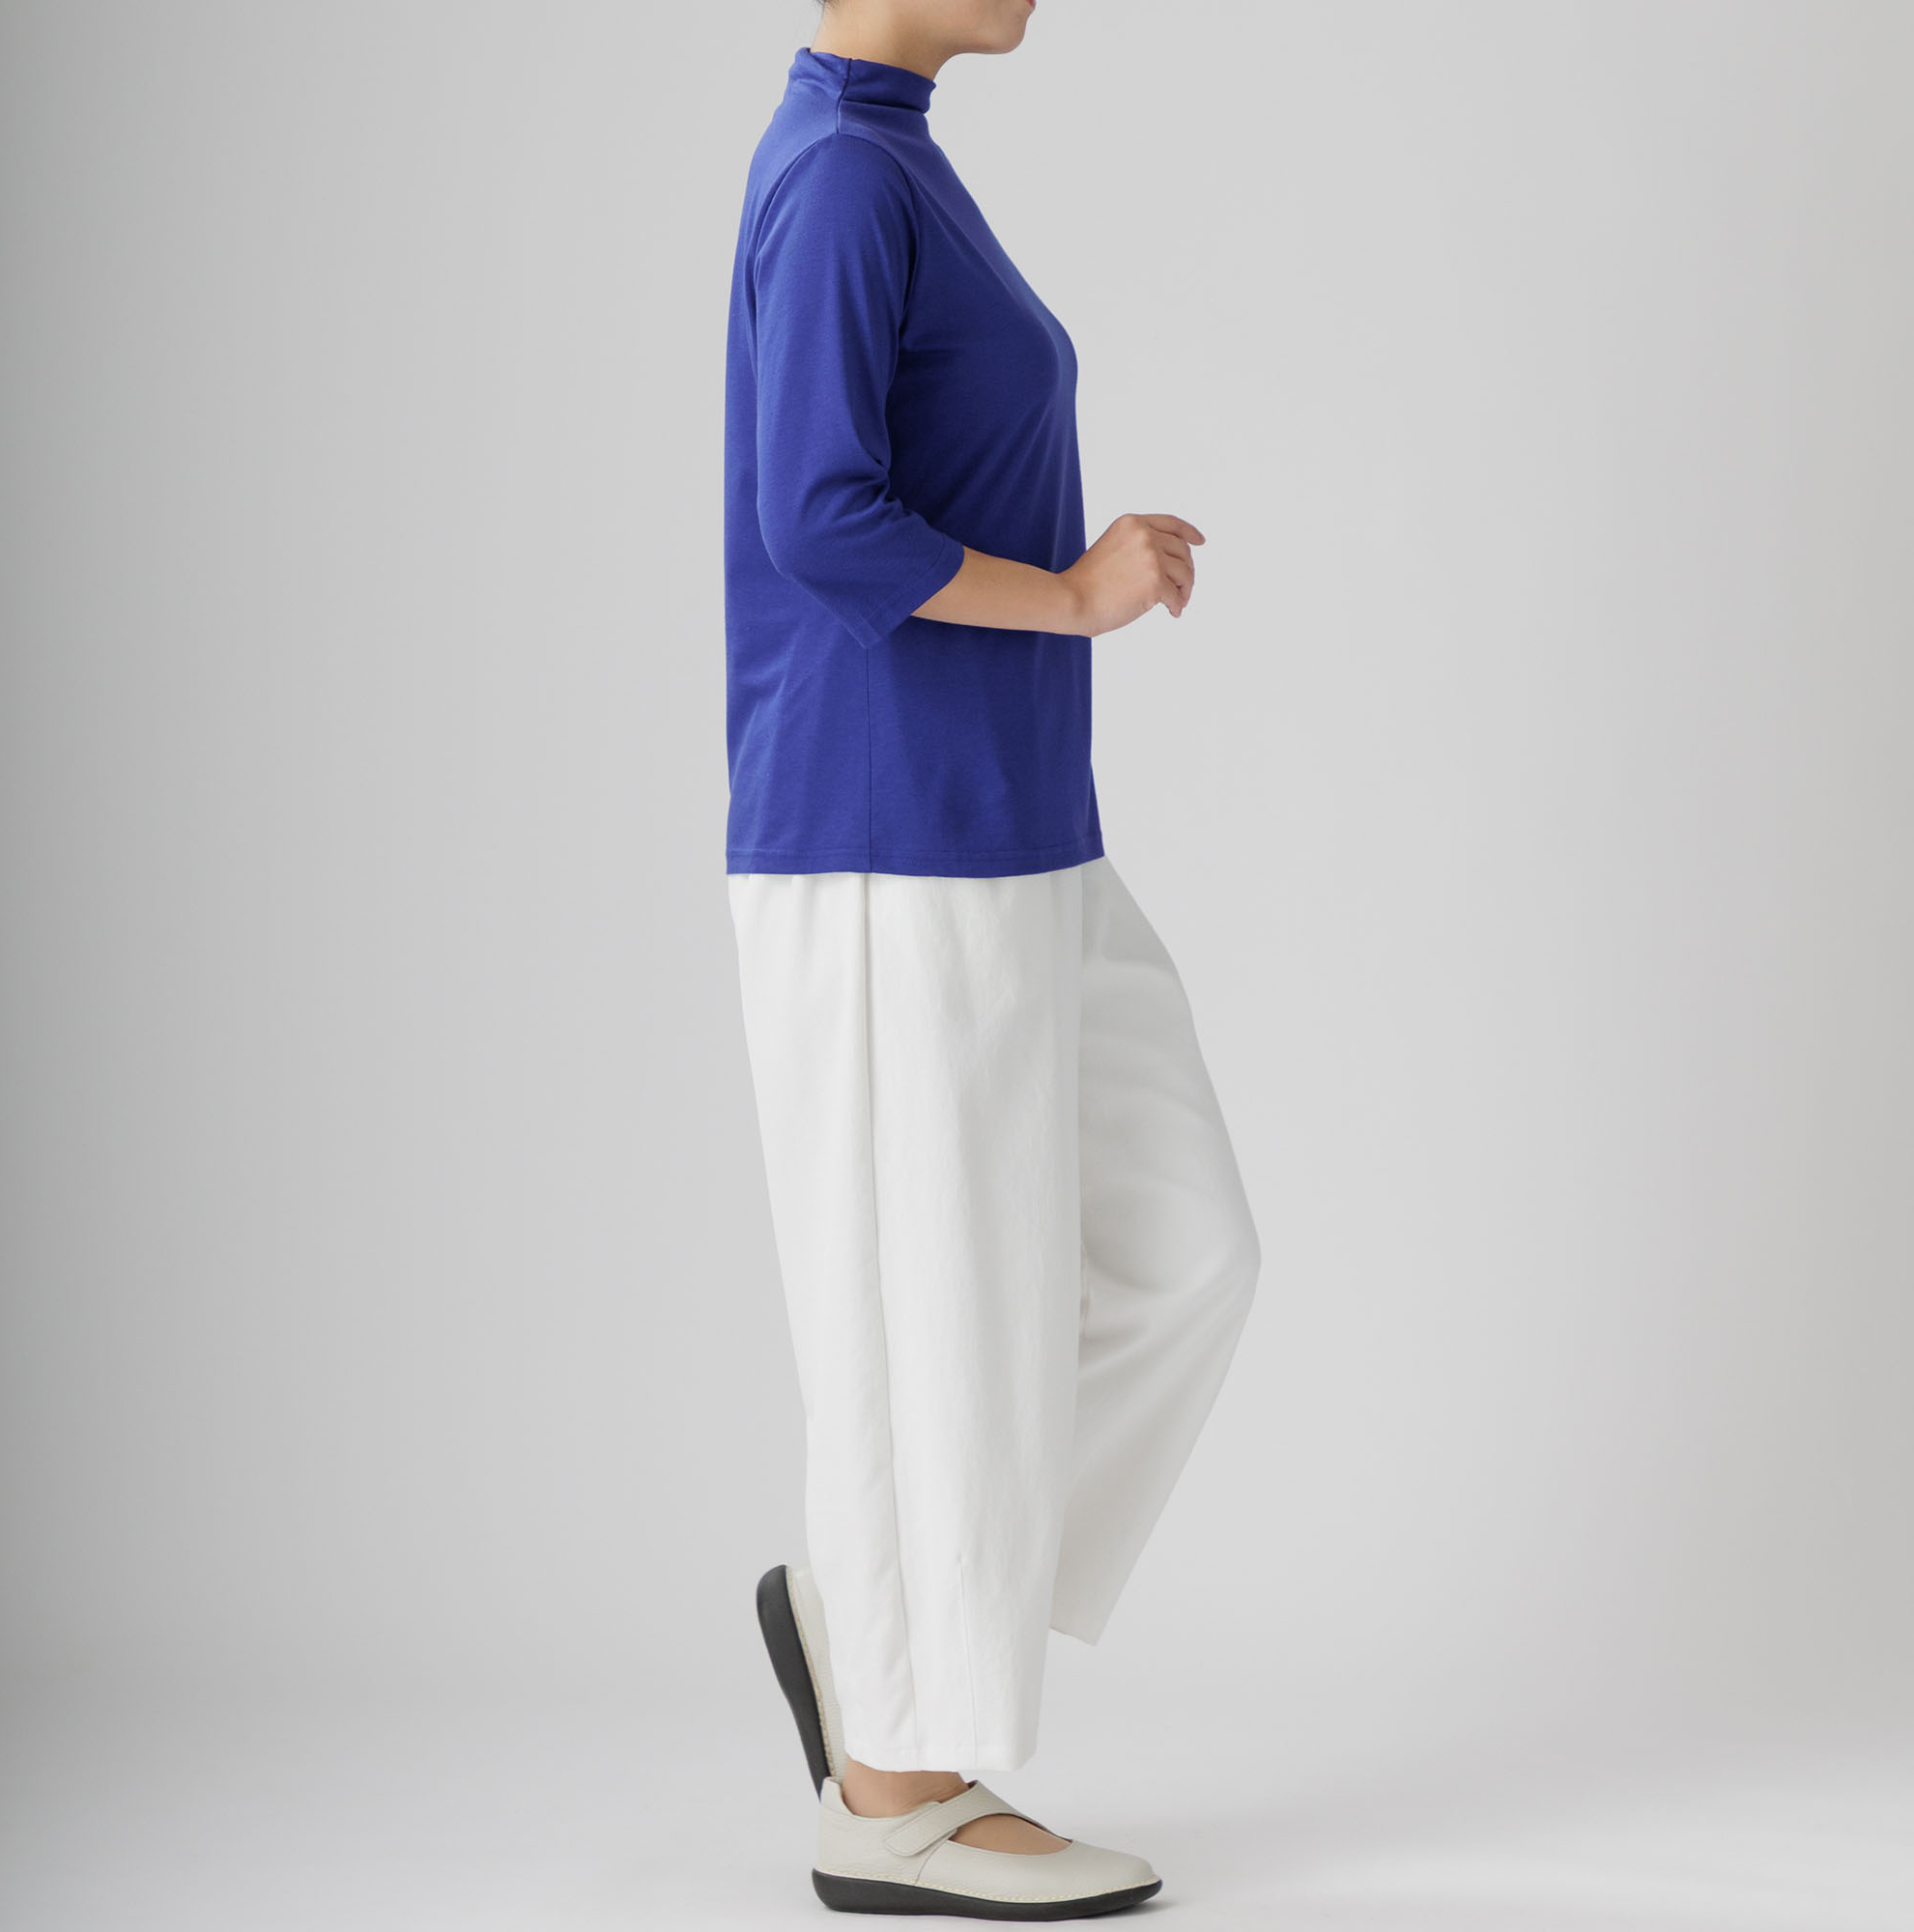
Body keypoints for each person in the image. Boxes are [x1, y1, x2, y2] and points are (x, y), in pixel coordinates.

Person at [723, 1, 1260, 1915]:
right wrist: (1080, 594)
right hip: (885, 838)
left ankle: (875, 1615)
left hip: (1013, 821)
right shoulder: (838, 177)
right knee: (935, 1322)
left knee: (1187, 1258)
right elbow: (817, 519)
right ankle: (891, 1790)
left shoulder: (895, 155)